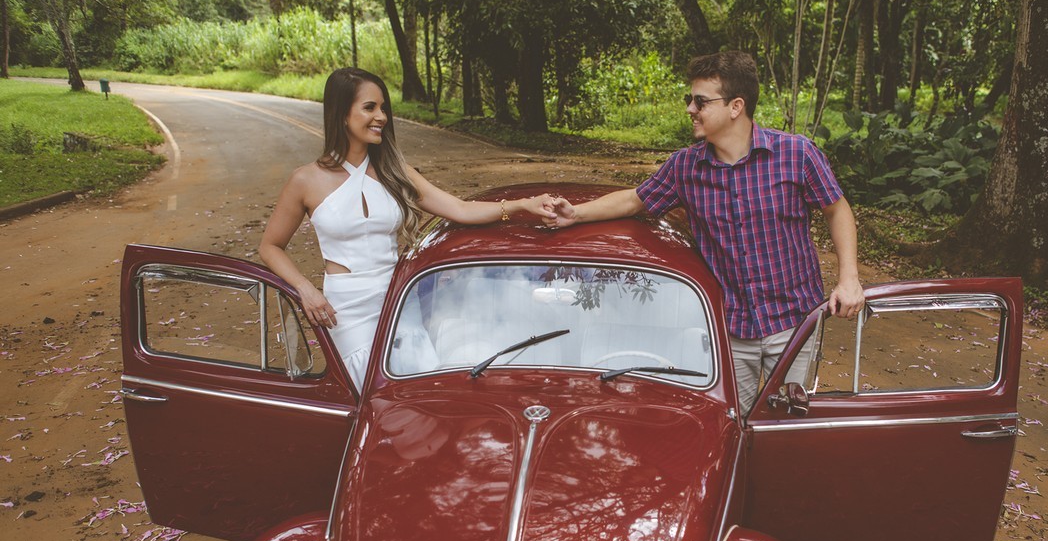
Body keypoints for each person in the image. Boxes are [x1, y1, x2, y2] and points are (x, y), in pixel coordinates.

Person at [546, 51, 865, 414]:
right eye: (690, 99)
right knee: (730, 423)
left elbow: (837, 210)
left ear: (735, 106)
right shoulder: (686, 166)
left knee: (785, 420)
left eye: (700, 101)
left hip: (794, 321)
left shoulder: (796, 153)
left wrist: (849, 278)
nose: (690, 109)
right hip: (728, 326)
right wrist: (577, 214)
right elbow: (636, 200)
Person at [259, 67, 555, 389]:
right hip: (345, 309)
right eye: (370, 107)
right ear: (342, 114)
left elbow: (459, 209)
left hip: (396, 298)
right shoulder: (306, 180)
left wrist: (521, 204)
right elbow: (270, 246)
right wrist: (305, 289)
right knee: (367, 391)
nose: (382, 116)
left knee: (417, 383)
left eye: (383, 108)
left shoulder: (395, 171)